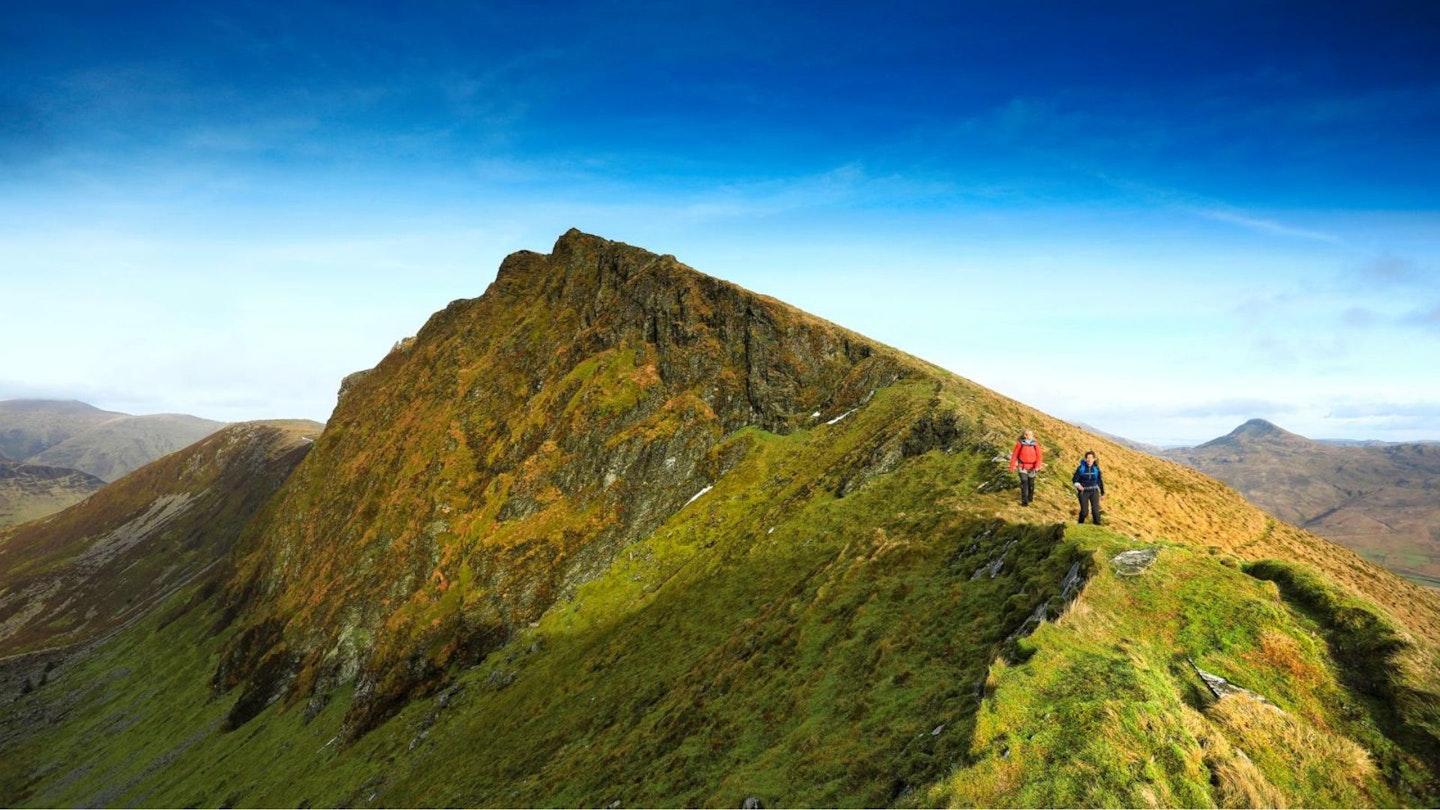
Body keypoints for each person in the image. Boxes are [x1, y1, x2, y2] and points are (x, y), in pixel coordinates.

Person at [1008, 430, 1044, 506]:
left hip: (1032, 467)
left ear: (1032, 435)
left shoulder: (1035, 444)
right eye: (1027, 434)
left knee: (1031, 484)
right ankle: (1024, 501)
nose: (1028, 436)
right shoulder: (1020, 444)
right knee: (1024, 482)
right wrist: (1012, 466)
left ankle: (1030, 497)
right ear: (1024, 435)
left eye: (1030, 434)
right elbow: (1014, 455)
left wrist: (1037, 466)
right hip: (1022, 467)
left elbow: (1039, 456)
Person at [1071, 451, 1105, 524]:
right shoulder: (1081, 468)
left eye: (1091, 458)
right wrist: (1078, 485)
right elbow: (1074, 479)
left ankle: (1097, 529)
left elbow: (1099, 480)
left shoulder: (1096, 469)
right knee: (1084, 512)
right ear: (1085, 459)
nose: (1089, 460)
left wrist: (1102, 493)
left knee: (1096, 512)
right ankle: (1080, 524)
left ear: (1094, 459)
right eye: (1088, 458)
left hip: (1094, 491)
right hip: (1084, 492)